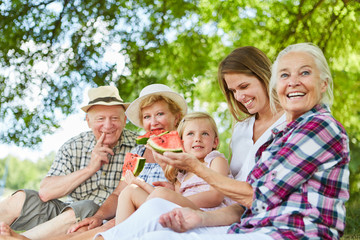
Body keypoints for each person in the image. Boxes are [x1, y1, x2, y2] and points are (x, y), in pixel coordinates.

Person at [91, 42, 350, 240]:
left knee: (156, 214)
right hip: (241, 219)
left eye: (160, 114)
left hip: (277, 228)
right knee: (149, 207)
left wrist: (192, 178)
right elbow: (121, 190)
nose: (154, 121)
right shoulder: (137, 150)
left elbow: (247, 195)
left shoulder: (314, 127)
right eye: (147, 116)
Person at [0, 86, 138, 239]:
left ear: (125, 120)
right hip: (66, 213)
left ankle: (22, 238)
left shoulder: (139, 146)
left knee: (87, 206)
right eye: (100, 119)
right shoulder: (73, 146)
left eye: (114, 118)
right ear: (88, 121)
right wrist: (90, 168)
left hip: (107, 217)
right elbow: (46, 192)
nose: (108, 125)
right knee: (21, 198)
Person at [115, 112, 234, 225]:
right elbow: (166, 198)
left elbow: (215, 196)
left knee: (162, 193)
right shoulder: (183, 173)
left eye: (205, 133)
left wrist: (177, 199)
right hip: (178, 210)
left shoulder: (216, 160)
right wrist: (139, 183)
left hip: (207, 215)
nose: (197, 138)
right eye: (190, 134)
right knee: (129, 191)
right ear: (181, 143)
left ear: (215, 142)